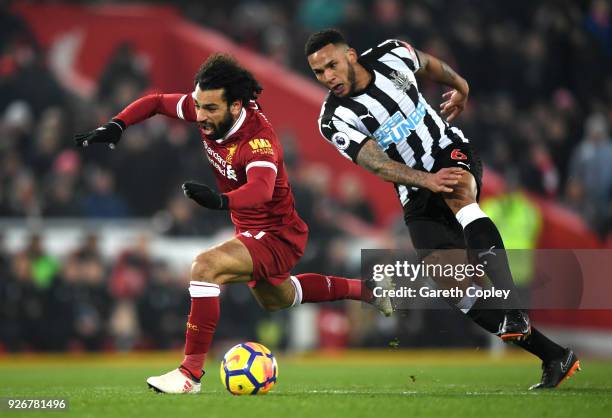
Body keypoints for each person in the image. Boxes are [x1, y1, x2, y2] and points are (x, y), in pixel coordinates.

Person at [74, 54, 392, 394]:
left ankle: (190, 374)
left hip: (276, 235)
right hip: (249, 229)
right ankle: (368, 290)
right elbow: (155, 102)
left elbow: (260, 189)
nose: (200, 116)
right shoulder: (209, 109)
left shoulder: (259, 141)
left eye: (210, 109)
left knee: (204, 266)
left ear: (236, 106)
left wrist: (221, 201)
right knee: (277, 298)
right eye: (198, 105)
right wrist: (118, 124)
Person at [305, 29, 579, 389]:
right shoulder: (334, 118)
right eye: (319, 73)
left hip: (447, 151)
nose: (328, 77)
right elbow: (375, 164)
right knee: (450, 285)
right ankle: (554, 356)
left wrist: (461, 85)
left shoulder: (391, 55)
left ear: (351, 55)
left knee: (459, 193)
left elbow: (429, 64)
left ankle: (512, 306)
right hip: (414, 189)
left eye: (332, 65)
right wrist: (424, 180)